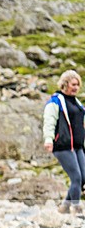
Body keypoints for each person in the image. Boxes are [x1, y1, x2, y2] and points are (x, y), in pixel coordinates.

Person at [44, 70, 85, 215]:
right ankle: (76, 208)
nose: (76, 88)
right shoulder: (56, 101)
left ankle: (65, 207)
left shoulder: (77, 103)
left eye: (78, 85)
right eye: (73, 84)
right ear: (65, 84)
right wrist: (49, 140)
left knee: (83, 177)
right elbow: (49, 122)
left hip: (78, 146)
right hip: (63, 145)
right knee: (76, 177)